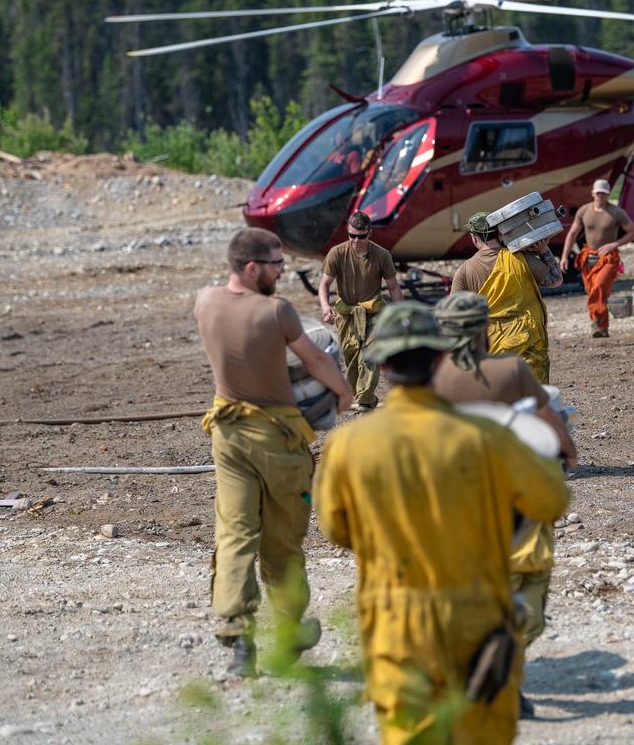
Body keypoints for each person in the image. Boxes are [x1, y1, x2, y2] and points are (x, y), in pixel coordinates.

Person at [316, 302, 570, 744]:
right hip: (478, 614)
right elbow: (551, 499)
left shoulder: (348, 444)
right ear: (438, 357)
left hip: (395, 620)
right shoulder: (487, 436)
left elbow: (336, 529)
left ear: (381, 365)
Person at [194, 228, 354, 677]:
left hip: (228, 435)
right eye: (276, 265)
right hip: (278, 439)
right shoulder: (277, 311)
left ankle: (238, 639)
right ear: (252, 268)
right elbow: (315, 360)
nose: (282, 272)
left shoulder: (204, 301)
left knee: (235, 533)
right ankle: (288, 633)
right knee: (282, 541)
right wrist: (344, 394)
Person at [430, 291, 578, 720]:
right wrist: (567, 456)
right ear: (484, 329)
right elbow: (551, 424)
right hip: (512, 502)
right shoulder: (511, 370)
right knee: (526, 588)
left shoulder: (428, 379)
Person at [451, 212, 563, 381]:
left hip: (492, 342)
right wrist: (542, 249)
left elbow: (454, 314)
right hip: (528, 338)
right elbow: (555, 280)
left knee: (501, 391)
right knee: (534, 393)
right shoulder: (520, 258)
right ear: (500, 233)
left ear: (474, 237)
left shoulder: (465, 270)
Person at [319, 212, 403, 410]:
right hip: (347, 313)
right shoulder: (337, 253)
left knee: (370, 355)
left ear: (369, 233)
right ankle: (358, 396)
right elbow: (324, 284)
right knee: (351, 357)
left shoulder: (381, 255)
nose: (356, 241)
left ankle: (365, 399)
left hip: (373, 311)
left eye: (361, 236)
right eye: (352, 235)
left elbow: (393, 287)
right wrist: (325, 306)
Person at [557, 179, 634, 337]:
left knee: (599, 287)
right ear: (593, 194)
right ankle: (601, 326)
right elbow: (572, 234)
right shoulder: (584, 210)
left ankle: (597, 324)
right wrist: (564, 256)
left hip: (609, 258)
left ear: (608, 194)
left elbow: (633, 233)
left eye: (604, 193)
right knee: (593, 291)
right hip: (588, 257)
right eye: (598, 193)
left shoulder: (617, 212)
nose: (601, 196)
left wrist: (613, 244)